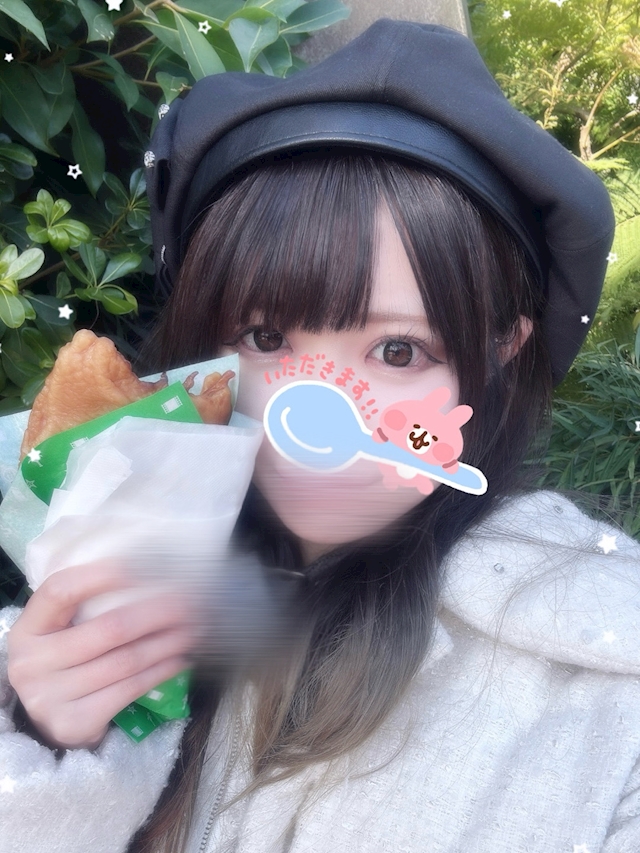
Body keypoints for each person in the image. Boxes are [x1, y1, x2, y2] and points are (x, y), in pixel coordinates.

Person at [1, 18, 639, 853]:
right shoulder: (103, 577)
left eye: (399, 351)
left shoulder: (606, 699)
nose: (315, 416)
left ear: (500, 351)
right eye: (266, 338)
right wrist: (51, 753)